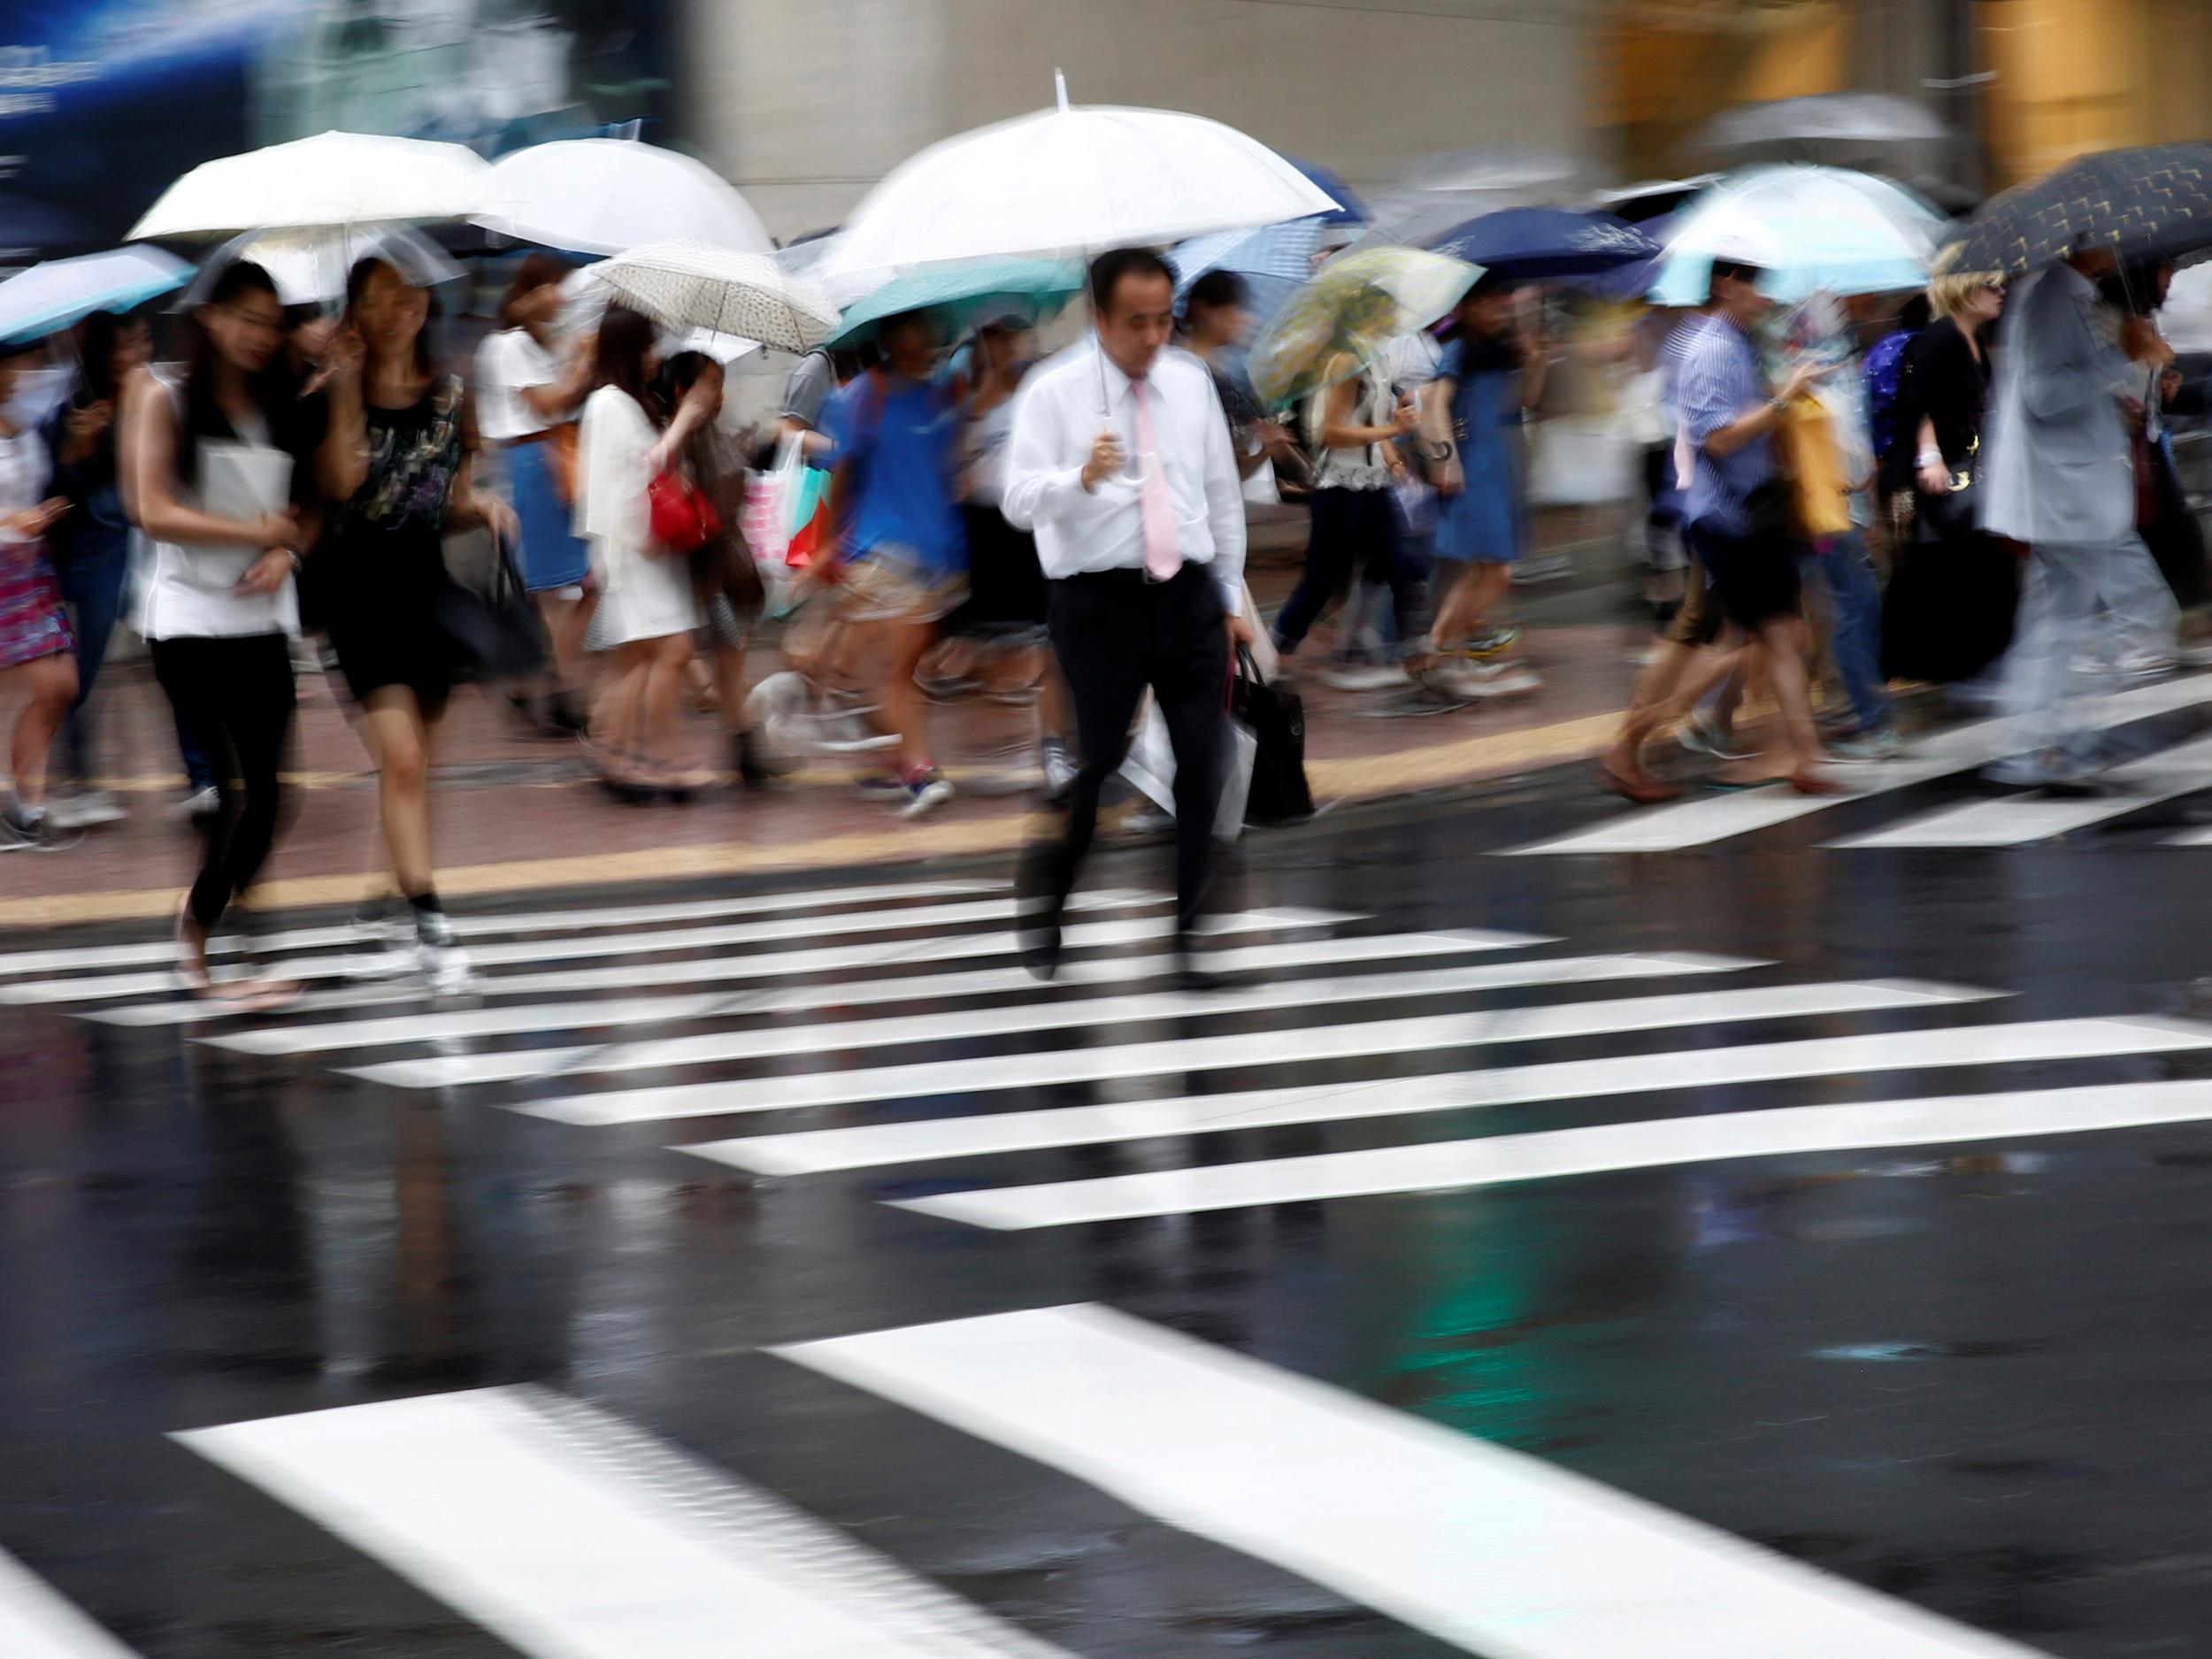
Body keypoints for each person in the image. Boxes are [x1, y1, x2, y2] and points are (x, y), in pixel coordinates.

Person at [1004, 247, 1250, 988]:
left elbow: (1219, 494)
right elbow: (1018, 498)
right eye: (1136, 323)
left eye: (1163, 321)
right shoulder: (1054, 392)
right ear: (1100, 318)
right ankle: (1048, 893)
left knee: (1203, 767)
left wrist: (1231, 597)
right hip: (1098, 604)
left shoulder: (1190, 382)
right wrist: (1080, 478)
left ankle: (1186, 936)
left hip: (1189, 596)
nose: (1153, 338)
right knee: (1102, 763)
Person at [314, 256, 516, 992]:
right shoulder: (338, 391)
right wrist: (341, 389)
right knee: (400, 759)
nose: (401, 306)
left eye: (410, 293)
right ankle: (432, 925)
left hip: (427, 592)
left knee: (412, 771)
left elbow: (447, 498)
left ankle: (376, 913)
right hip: (358, 593)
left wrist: (485, 507)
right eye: (380, 297)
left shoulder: (453, 394)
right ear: (357, 313)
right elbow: (339, 483)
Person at [119, 260, 309, 999]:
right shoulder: (161, 395)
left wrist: (286, 547)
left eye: (273, 322)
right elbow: (150, 508)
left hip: (260, 619)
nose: (263, 335)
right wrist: (251, 529)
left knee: (272, 797)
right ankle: (195, 938)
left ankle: (224, 908)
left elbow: (313, 504)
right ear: (211, 318)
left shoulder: (282, 399)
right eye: (249, 318)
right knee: (232, 792)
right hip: (188, 623)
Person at [1601, 257, 1836, 799]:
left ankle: (1805, 756)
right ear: (1727, 285)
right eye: (1758, 286)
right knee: (1755, 642)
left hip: (1752, 513)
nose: (1766, 299)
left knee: (1780, 636)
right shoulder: (1710, 347)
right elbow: (1718, 439)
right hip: (1731, 519)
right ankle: (1628, 744)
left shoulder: (1735, 342)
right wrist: (1781, 400)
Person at [1980, 244, 2179, 786]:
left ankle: (2037, 748)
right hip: (2068, 496)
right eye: (2107, 236)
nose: (2118, 245)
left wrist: (2122, 383)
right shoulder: (2049, 297)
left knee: (2055, 626)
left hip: (2072, 492)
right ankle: (2061, 737)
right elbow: (2045, 395)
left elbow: (2060, 386)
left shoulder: (2066, 294)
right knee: (2147, 612)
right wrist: (2126, 356)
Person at [818, 308, 968, 815]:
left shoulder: (943, 395)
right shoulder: (861, 395)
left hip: (936, 556)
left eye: (930, 329)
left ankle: (892, 755)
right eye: (916, 328)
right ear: (891, 335)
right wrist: (827, 543)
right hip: (878, 552)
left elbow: (951, 469)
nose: (927, 338)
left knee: (892, 672)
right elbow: (840, 474)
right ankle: (918, 769)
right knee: (895, 673)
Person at [577, 303, 714, 798]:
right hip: (635, 551)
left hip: (637, 550)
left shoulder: (618, 402)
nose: (656, 356)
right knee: (669, 651)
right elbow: (643, 468)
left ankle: (615, 755)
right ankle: (662, 760)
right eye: (648, 345)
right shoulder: (613, 403)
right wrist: (684, 422)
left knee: (637, 657)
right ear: (629, 349)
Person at [1268, 315, 1429, 693]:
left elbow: (1374, 420)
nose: (1395, 324)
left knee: (1403, 565)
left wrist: (1393, 459)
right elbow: (1332, 433)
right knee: (1322, 581)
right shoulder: (1343, 361)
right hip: (1340, 485)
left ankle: (1417, 662)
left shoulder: (1377, 358)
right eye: (1387, 316)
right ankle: (1270, 652)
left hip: (1373, 483)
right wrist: (1394, 431)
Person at [954, 316, 1076, 802]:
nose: (1005, 347)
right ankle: (994, 749)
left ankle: (1053, 749)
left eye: (1011, 337)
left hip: (1026, 528)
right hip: (984, 530)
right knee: (993, 648)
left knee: (1045, 643)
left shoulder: (1037, 386)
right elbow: (960, 461)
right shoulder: (968, 398)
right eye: (994, 339)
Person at [475, 252, 597, 733]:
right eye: (556, 287)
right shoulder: (510, 346)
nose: (564, 297)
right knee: (561, 586)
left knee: (563, 586)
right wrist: (585, 363)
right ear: (534, 290)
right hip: (535, 461)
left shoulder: (531, 344)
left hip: (544, 460)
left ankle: (543, 682)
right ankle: (559, 688)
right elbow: (550, 405)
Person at [42, 309, 151, 830]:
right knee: (79, 674)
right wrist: (81, 448)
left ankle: (202, 777)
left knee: (156, 666)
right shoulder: (73, 408)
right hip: (85, 556)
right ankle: (76, 779)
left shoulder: (147, 403)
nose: (131, 355)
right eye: (121, 347)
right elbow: (59, 490)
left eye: (138, 344)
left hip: (128, 552)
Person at [1881, 268, 2016, 688]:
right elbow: (1916, 400)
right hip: (1941, 476)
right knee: (1944, 563)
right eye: (1991, 286)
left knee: (1974, 560)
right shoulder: (1939, 339)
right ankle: (1944, 663)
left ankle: (1978, 657)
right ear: (1964, 291)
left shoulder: (1974, 340)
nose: (2002, 293)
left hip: (1969, 470)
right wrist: (1930, 456)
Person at [655, 349, 781, 787]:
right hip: (698, 576)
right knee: (704, 660)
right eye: (710, 384)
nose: (718, 394)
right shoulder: (677, 436)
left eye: (719, 384)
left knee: (731, 660)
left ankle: (746, 751)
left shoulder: (709, 431)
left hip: (721, 572)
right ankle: (731, 752)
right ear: (680, 390)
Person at [1425, 273, 1547, 693]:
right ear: (1467, 308)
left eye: (1503, 300)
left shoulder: (1503, 349)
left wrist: (1535, 360)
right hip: (1473, 468)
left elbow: (1526, 400)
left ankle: (1447, 652)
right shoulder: (1458, 350)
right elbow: (1437, 406)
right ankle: (1439, 646)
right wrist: (1447, 458)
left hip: (1500, 466)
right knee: (1497, 572)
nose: (1500, 308)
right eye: (1491, 302)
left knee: (1481, 570)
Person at [0, 335, 77, 851]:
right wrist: (12, 519)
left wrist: (41, 513)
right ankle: (25, 810)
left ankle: (27, 807)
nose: (20, 372)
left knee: (60, 685)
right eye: (12, 364)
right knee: (50, 684)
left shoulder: (21, 420)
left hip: (33, 571)